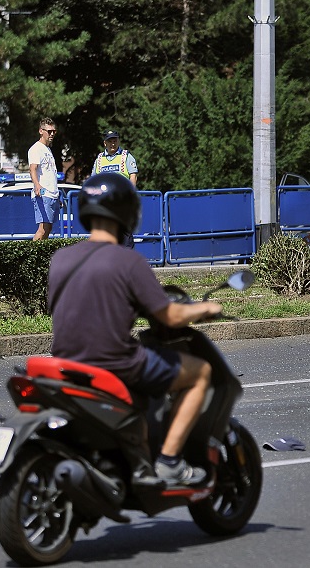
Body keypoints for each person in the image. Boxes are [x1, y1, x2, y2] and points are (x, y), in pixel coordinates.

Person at [48, 172, 220, 487]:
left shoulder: (60, 259)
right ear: (127, 212)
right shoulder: (128, 261)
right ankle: (169, 462)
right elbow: (168, 315)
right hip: (115, 364)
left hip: (65, 365)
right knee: (200, 373)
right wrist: (206, 308)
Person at [91, 130, 139, 247]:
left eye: (115, 140)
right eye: (110, 141)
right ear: (105, 143)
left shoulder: (126, 156)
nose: (113, 143)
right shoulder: (99, 159)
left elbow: (133, 176)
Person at [28, 117, 61, 241]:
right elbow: (33, 169)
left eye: (54, 131)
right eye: (49, 131)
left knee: (47, 229)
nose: (52, 134)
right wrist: (37, 185)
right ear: (41, 131)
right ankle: (31, 258)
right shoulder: (36, 149)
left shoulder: (47, 149)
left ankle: (40, 257)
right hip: (43, 194)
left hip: (52, 194)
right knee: (42, 229)